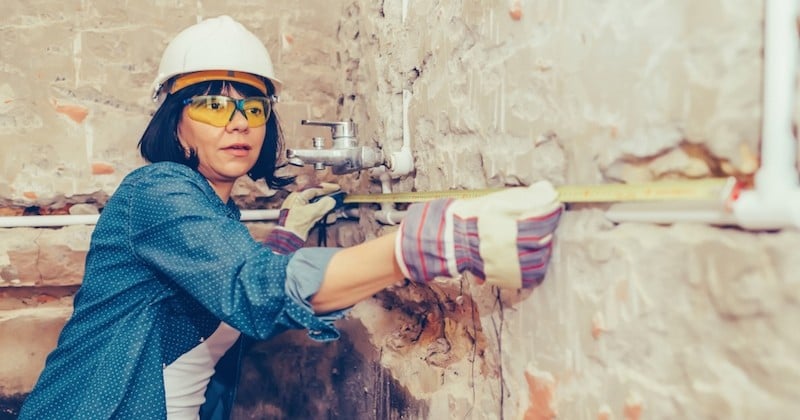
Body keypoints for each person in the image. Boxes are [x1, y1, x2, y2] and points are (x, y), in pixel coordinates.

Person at [17, 15, 563, 420]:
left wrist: (285, 237)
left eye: (252, 107)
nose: (238, 123)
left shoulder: (214, 213)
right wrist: (421, 246)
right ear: (175, 122)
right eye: (212, 104)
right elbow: (249, 289)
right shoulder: (157, 191)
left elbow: (240, 297)